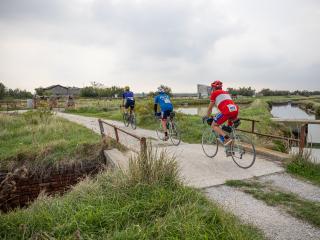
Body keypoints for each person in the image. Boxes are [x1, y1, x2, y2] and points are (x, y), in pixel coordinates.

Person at [203, 80, 239, 146]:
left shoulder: (214, 93)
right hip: (235, 110)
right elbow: (226, 104)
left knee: (214, 125)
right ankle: (230, 150)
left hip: (227, 111)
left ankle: (227, 139)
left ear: (213, 88)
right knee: (227, 128)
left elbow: (210, 108)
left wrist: (207, 116)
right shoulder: (226, 93)